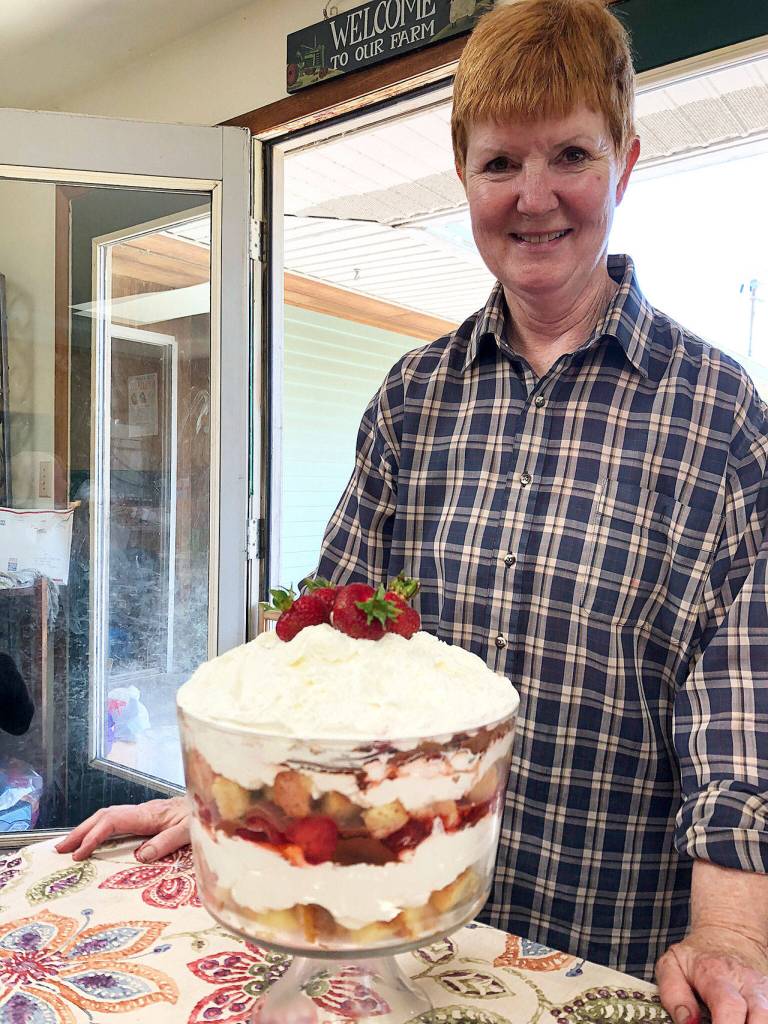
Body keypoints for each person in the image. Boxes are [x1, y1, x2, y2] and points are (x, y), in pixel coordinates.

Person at [58, 1, 768, 1019]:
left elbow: (743, 712)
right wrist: (232, 807)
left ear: (626, 163)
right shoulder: (411, 397)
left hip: (595, 957)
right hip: (384, 952)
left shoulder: (720, 413)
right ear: (464, 175)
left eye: (569, 152)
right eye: (498, 164)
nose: (534, 197)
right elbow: (324, 648)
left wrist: (732, 935)